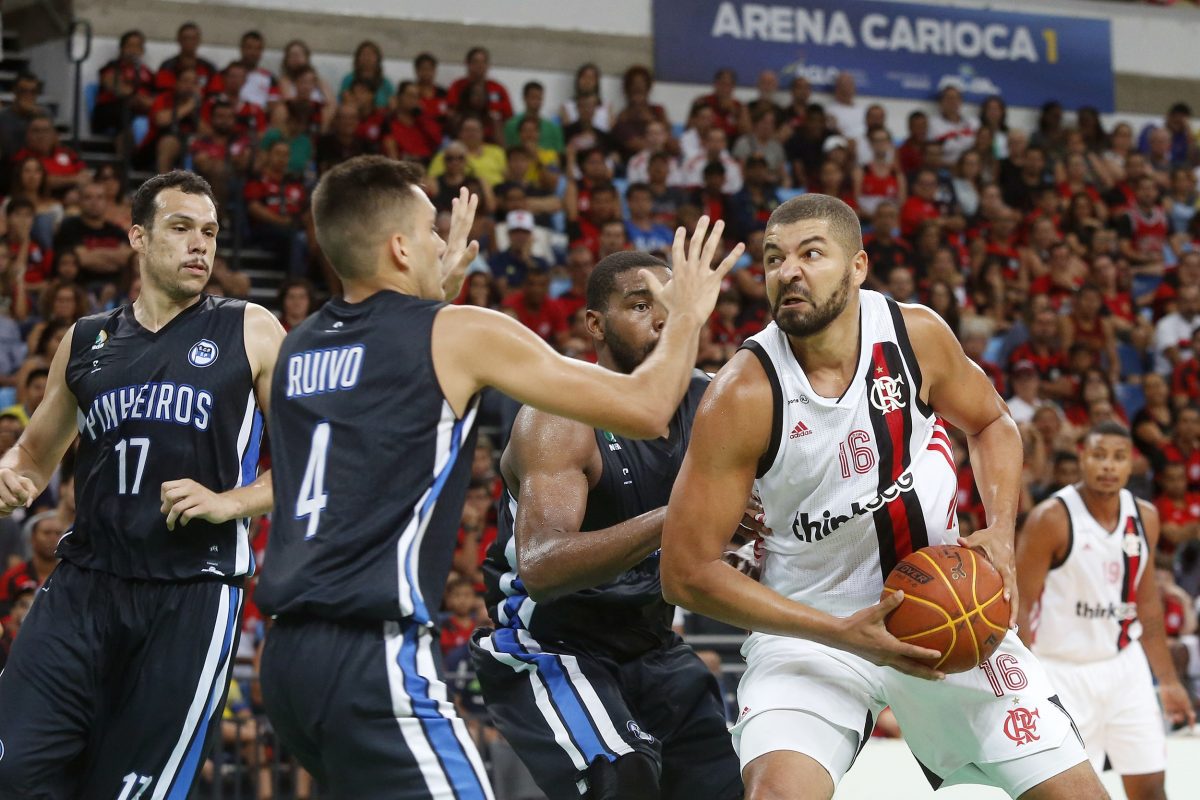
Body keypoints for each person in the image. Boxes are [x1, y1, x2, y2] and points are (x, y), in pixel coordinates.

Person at [254, 155, 740, 797]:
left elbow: (382, 388)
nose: (444, 243)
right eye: (431, 230)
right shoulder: (457, 331)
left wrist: (425, 293)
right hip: (373, 646)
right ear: (400, 247)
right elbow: (649, 408)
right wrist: (688, 312)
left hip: (286, 658)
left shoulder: (301, 348)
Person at [658, 194, 1104, 799]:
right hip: (813, 628)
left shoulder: (914, 335)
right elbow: (684, 573)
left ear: (858, 266)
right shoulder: (744, 392)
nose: (789, 271)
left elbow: (994, 423)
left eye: (811, 253)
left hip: (948, 612)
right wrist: (842, 633)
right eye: (773, 258)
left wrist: (999, 528)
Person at [0, 171, 285, 797]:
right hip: (85, 584)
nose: (199, 246)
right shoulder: (85, 339)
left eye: (209, 232)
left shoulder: (250, 327)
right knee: (13, 769)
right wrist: (12, 474)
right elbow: (34, 453)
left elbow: (317, 460)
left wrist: (230, 501)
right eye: (181, 228)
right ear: (137, 237)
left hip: (191, 594)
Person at [471, 250, 744, 800]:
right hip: (549, 643)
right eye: (640, 306)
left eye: (669, 305)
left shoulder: (712, 400)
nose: (661, 319)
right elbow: (543, 566)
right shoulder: (560, 413)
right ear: (595, 323)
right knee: (621, 778)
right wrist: (677, 515)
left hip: (651, 643)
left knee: (733, 784)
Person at [1017, 422, 1196, 800]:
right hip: (1061, 671)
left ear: (1130, 465)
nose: (1108, 466)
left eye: (1118, 458)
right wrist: (1027, 685)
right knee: (1075, 795)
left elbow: (1146, 602)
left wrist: (1167, 680)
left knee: (1150, 787)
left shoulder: (1145, 516)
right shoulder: (1051, 518)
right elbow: (1022, 604)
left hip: (1124, 667)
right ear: (1083, 458)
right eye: (1099, 455)